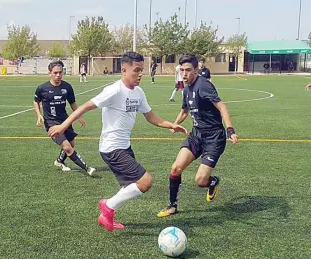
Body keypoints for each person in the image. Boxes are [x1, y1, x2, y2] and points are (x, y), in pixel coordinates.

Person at [48, 51, 188, 232]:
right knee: (145, 181)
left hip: (124, 146)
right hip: (111, 147)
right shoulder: (114, 90)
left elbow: (150, 116)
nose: (140, 75)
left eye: (141, 70)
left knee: (128, 187)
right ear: (124, 70)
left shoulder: (138, 92)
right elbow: (85, 107)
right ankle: (107, 207)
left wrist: (172, 125)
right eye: (136, 70)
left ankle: (106, 214)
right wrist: (62, 126)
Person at [157, 55, 239, 218]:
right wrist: (175, 124)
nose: (184, 74)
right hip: (196, 135)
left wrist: (230, 130)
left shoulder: (204, 85)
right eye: (182, 70)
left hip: (214, 138)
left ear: (196, 70)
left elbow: (222, 107)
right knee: (175, 168)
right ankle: (172, 205)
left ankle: (212, 181)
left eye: (188, 70)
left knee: (200, 181)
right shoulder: (186, 89)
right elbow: (185, 111)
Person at [34, 60, 96, 175]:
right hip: (51, 123)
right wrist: (38, 115)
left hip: (65, 121)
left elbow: (72, 103)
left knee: (71, 144)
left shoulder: (67, 87)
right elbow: (36, 101)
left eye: (60, 73)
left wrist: (79, 116)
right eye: (55, 73)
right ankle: (87, 168)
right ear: (50, 73)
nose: (58, 75)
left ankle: (59, 161)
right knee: (67, 147)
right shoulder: (42, 88)